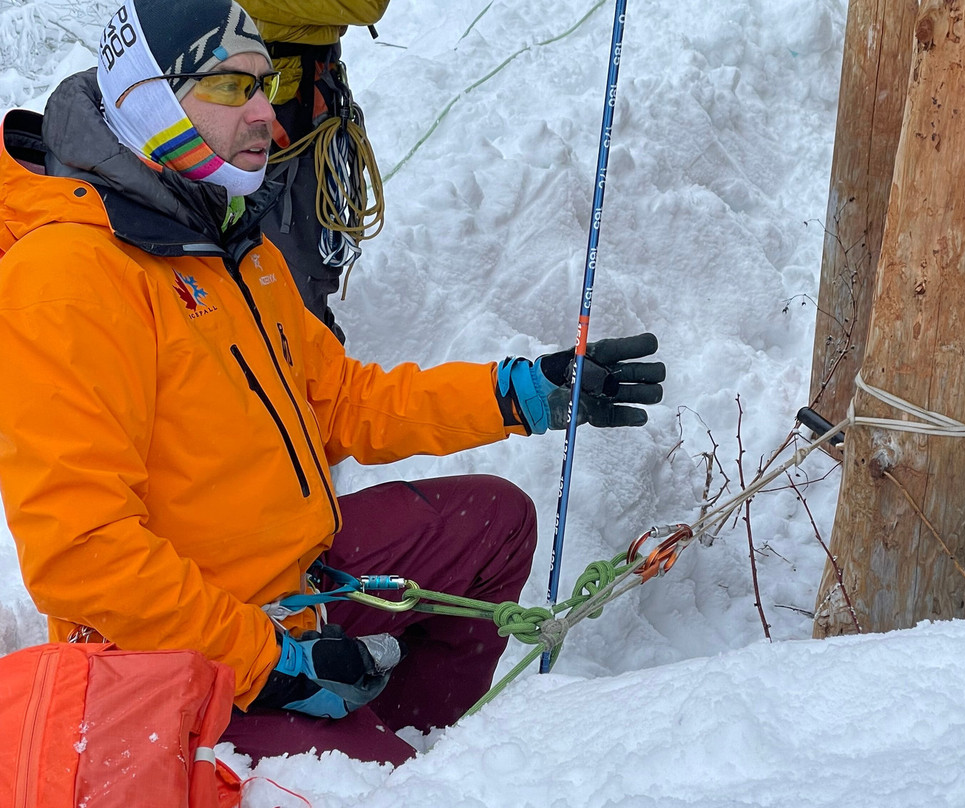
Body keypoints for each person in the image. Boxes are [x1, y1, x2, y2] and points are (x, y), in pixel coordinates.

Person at [0, 0, 665, 765]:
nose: (267, 116)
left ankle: (413, 742)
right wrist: (272, 662)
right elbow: (83, 556)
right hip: (171, 657)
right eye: (233, 87)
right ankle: (384, 767)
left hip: (291, 590)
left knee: (495, 522)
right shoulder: (69, 278)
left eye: (268, 84)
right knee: (392, 791)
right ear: (149, 101)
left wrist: (519, 393)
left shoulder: (227, 241)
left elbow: (341, 401)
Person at [243, 0, 391, 343]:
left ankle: (305, 349)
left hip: (294, 99)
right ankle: (291, 343)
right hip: (259, 94)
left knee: (293, 240)